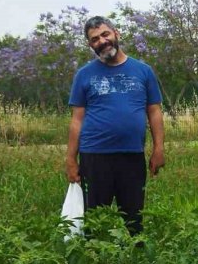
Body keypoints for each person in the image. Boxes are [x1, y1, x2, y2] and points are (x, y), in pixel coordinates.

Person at [65, 16, 165, 236]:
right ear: (90, 45)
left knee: (134, 218)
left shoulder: (143, 71)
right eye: (95, 39)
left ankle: (135, 262)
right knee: (94, 219)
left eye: (105, 34)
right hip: (94, 156)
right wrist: (71, 159)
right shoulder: (84, 75)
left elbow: (154, 111)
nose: (102, 41)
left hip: (132, 156)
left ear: (116, 33)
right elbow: (76, 120)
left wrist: (159, 148)